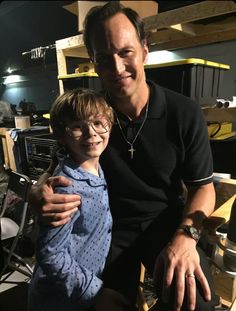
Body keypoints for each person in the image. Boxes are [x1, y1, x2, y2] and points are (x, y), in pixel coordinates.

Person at [29, 2, 219, 311]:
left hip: (165, 223)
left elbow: (203, 187)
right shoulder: (90, 118)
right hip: (107, 227)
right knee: (98, 303)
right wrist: (37, 191)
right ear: (93, 62)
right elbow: (52, 171)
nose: (117, 69)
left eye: (125, 52)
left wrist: (187, 238)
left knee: (197, 302)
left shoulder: (184, 112)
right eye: (104, 59)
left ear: (145, 48)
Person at [28, 88, 130, 311]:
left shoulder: (95, 167)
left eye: (98, 123)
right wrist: (96, 292)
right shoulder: (66, 190)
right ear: (62, 135)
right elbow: (51, 254)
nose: (91, 133)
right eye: (77, 126)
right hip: (59, 300)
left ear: (109, 126)